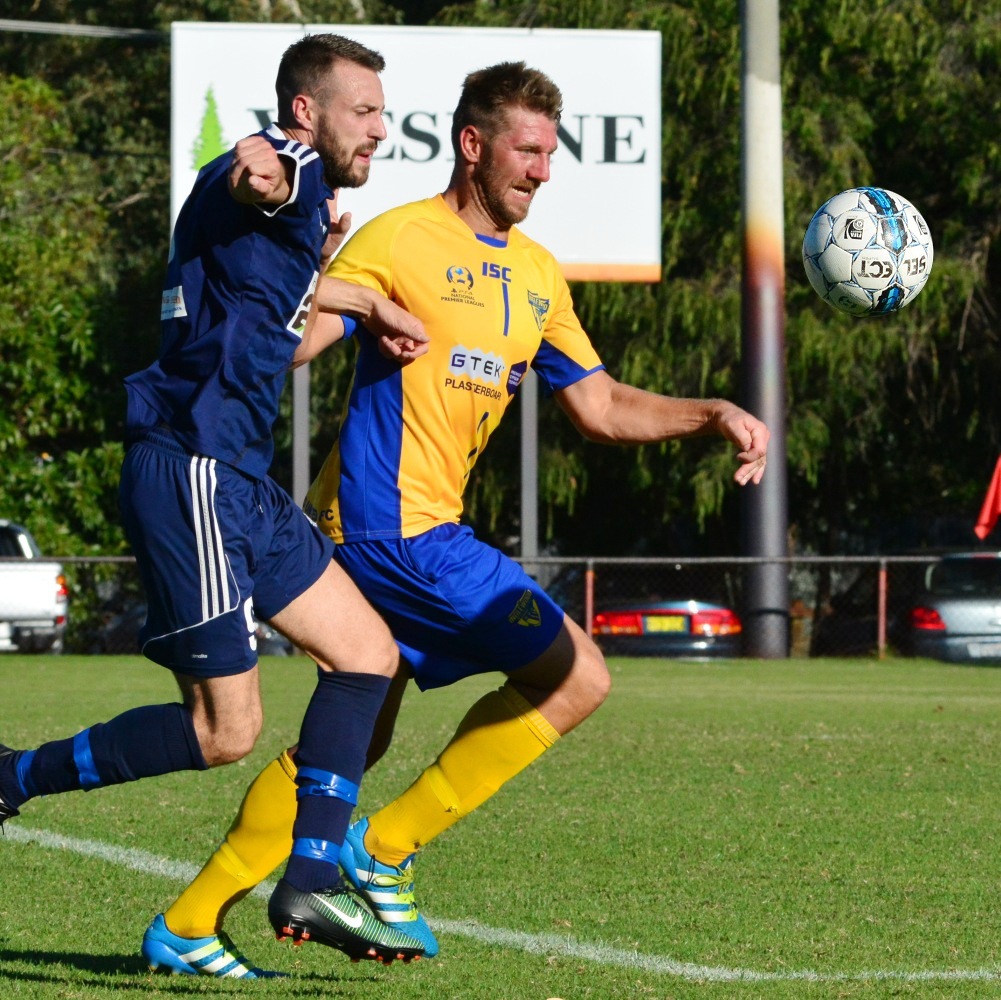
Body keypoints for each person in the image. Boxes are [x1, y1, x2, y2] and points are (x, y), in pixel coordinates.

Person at [138, 60, 771, 976]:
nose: (542, 171)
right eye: (526, 150)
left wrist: (708, 413)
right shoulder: (397, 238)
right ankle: (379, 851)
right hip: (390, 531)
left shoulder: (539, 275)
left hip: (402, 533)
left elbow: (599, 407)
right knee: (577, 675)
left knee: (354, 739)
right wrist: (318, 286)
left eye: (551, 155)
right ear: (473, 146)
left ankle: (189, 922)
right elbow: (295, 339)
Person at [0, 33, 430, 971]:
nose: (380, 130)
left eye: (382, 113)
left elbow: (277, 338)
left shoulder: (299, 222)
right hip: (190, 467)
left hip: (239, 478)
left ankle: (311, 869)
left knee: (368, 654)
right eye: (364, 110)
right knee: (224, 731)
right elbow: (259, 171)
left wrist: (354, 298)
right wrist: (268, 172)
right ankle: (11, 777)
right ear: (308, 110)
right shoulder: (295, 168)